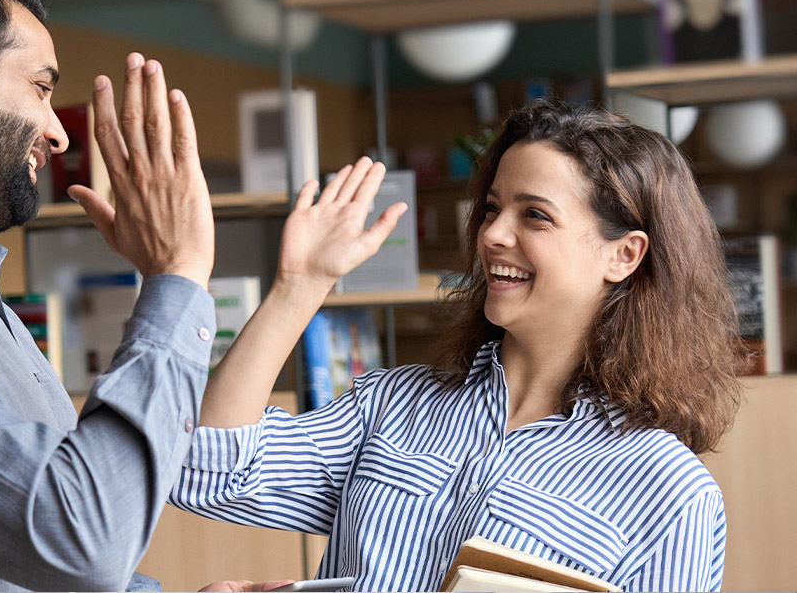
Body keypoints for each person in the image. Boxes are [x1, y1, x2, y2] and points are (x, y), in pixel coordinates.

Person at [0, 0, 402, 591]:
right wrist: (176, 274)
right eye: (40, 88)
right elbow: (83, 539)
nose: (57, 130)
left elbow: (32, 564)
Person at [171, 99, 747, 592]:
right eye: (493, 208)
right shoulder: (391, 406)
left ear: (624, 255)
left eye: (536, 216)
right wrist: (298, 288)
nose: (492, 234)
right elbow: (204, 470)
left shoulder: (671, 495)